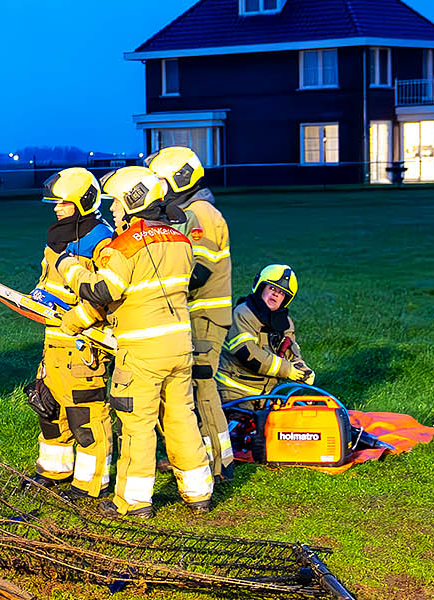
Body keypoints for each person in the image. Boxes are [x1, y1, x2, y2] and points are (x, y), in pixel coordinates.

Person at [60, 168, 213, 518]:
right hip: (180, 345)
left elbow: (103, 291)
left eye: (115, 202)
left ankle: (133, 501)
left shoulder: (125, 245)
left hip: (141, 351)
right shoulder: (181, 240)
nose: (112, 210)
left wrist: (70, 268)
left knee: (137, 424)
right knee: (181, 417)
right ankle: (198, 491)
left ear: (132, 200)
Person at [149, 145, 234, 479]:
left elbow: (200, 270)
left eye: (161, 181)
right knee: (184, 390)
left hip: (204, 316)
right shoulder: (186, 212)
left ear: (178, 179)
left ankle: (220, 461)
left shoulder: (202, 214)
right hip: (191, 315)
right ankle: (191, 454)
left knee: (202, 386)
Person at [28, 167, 114, 498]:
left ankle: (90, 483)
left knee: (85, 415)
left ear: (83, 202)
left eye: (62, 203)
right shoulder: (57, 238)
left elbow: (106, 295)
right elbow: (47, 280)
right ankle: (54, 469)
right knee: (48, 407)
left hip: (81, 344)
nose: (55, 208)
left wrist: (76, 320)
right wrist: (35, 299)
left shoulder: (102, 241)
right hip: (53, 340)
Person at [216, 264, 315, 399]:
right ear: (260, 288)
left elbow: (291, 353)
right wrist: (286, 370)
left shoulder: (285, 323)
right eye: (272, 288)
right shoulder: (242, 313)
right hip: (233, 391)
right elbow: (248, 354)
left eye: (281, 293)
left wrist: (303, 369)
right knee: (240, 420)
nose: (276, 294)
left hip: (266, 395)